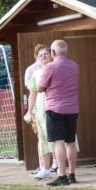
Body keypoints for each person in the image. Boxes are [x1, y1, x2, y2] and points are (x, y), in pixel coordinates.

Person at [38, 39, 80, 186]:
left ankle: (61, 176)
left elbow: (40, 87)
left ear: (53, 52)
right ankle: (72, 174)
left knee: (58, 142)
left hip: (55, 107)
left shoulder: (50, 66)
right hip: (72, 108)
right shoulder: (74, 66)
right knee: (70, 142)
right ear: (65, 51)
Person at [24, 45, 55, 179]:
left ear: (52, 55)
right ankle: (44, 167)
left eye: (46, 54)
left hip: (55, 107)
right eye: (40, 55)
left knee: (56, 138)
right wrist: (29, 112)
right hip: (40, 109)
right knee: (42, 138)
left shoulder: (57, 69)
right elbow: (32, 94)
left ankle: (59, 166)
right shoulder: (35, 73)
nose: (43, 57)